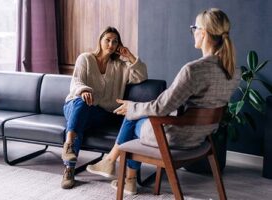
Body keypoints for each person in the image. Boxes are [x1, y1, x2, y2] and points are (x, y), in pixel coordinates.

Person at [86, 8, 240, 195]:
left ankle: (116, 167)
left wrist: (132, 107)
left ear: (203, 33)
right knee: (137, 111)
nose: (193, 32)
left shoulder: (194, 70)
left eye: (194, 28)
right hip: (201, 138)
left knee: (133, 116)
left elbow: (161, 107)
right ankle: (123, 175)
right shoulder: (232, 71)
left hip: (176, 138)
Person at [61, 26, 148, 189]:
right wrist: (84, 90)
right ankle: (69, 158)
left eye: (115, 41)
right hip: (75, 105)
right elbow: (76, 81)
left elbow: (141, 76)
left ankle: (71, 159)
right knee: (82, 104)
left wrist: (130, 57)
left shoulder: (121, 66)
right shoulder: (85, 58)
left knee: (84, 112)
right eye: (107, 40)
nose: (111, 44)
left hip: (103, 113)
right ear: (100, 41)